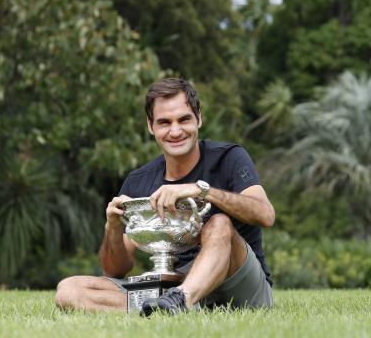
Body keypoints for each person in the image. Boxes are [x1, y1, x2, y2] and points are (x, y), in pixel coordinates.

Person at [55, 78, 275, 315]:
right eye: (164, 122)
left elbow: (265, 214)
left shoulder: (230, 158)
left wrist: (203, 190)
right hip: (175, 283)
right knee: (70, 290)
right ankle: (170, 307)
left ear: (199, 118)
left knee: (219, 223)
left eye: (184, 119)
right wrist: (113, 228)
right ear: (151, 126)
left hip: (237, 283)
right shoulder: (139, 181)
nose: (175, 131)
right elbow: (114, 270)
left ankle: (180, 301)